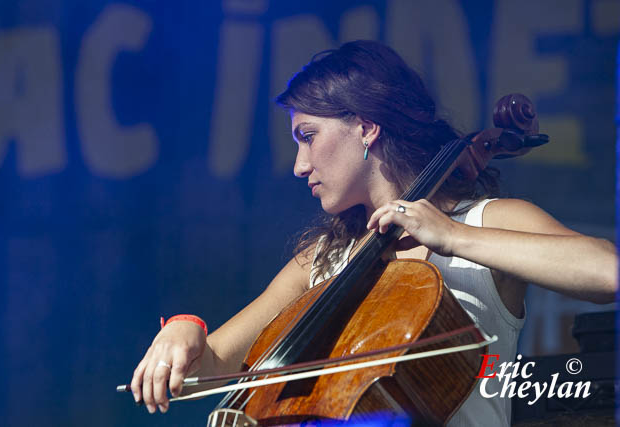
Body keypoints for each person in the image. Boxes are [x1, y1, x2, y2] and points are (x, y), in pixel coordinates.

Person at [129, 40, 617, 425]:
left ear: (365, 127)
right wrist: (185, 329)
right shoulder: (322, 260)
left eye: (308, 136)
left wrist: (450, 235)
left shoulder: (484, 221)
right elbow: (210, 370)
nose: (300, 165)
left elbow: (606, 272)